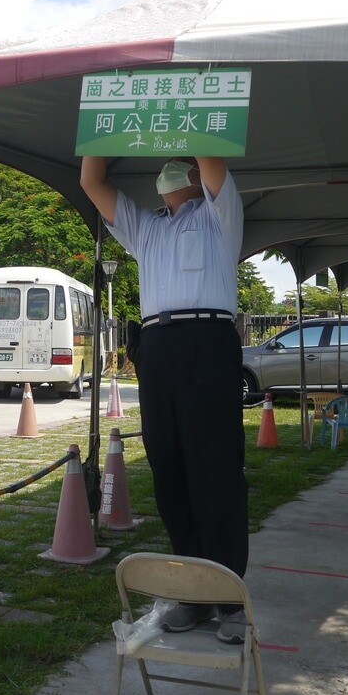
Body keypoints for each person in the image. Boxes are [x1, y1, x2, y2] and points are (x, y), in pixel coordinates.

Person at [80, 154, 249, 644]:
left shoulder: (220, 215)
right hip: (157, 347)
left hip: (208, 342)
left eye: (181, 162)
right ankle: (193, 594)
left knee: (215, 469)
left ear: (196, 175)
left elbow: (211, 159)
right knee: (169, 469)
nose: (169, 172)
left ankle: (231, 598)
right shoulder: (145, 228)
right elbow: (91, 180)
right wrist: (97, 136)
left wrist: (184, 114)